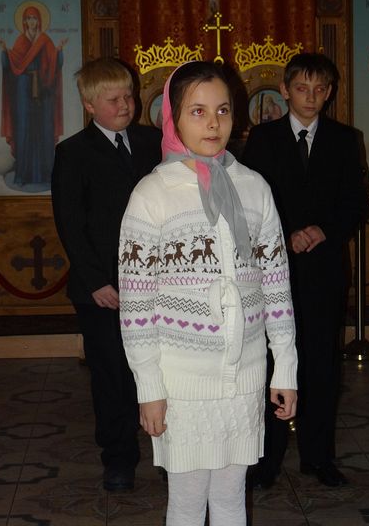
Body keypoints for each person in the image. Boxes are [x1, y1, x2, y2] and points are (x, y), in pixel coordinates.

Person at [118, 60, 297, 525]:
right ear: (173, 118)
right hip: (182, 381)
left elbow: (276, 285)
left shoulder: (254, 188)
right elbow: (136, 305)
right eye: (197, 111)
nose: (213, 123)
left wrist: (286, 367)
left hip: (244, 375)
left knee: (232, 498)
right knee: (186, 502)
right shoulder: (152, 194)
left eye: (223, 110)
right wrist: (149, 386)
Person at [242, 53, 367, 488]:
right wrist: (285, 234)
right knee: (271, 361)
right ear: (285, 90)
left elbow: (356, 202)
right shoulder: (263, 139)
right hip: (273, 268)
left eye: (319, 90)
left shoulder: (345, 139)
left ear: (329, 92)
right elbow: (251, 200)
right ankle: (267, 459)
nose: (311, 97)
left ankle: (318, 456)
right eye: (302, 89)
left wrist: (322, 229)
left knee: (321, 363)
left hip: (324, 269)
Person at [51, 57, 162, 491]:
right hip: (102, 287)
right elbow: (70, 222)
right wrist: (96, 280)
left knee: (159, 369)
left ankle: (169, 451)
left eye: (129, 96)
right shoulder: (74, 152)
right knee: (112, 373)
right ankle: (118, 457)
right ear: (89, 104)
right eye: (113, 99)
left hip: (156, 280)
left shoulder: (153, 141)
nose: (125, 105)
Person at [0, 4, 66, 189]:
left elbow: (55, 64)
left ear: (39, 20)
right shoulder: (20, 41)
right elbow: (10, 66)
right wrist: (5, 52)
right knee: (23, 130)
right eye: (28, 18)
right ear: (24, 21)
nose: (31, 21)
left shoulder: (45, 40)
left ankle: (46, 175)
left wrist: (59, 52)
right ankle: (22, 175)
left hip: (44, 92)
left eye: (34, 18)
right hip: (23, 92)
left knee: (44, 130)